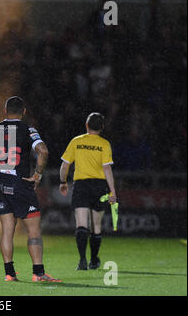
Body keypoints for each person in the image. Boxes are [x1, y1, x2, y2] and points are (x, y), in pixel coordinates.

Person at [0, 96, 61, 282]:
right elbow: (43, 151)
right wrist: (37, 175)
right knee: (33, 230)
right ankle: (38, 273)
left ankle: (9, 273)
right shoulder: (28, 130)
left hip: (0, 184)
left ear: (5, 111)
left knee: (7, 230)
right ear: (24, 112)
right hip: (20, 185)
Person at [59, 112, 117, 270]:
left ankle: (82, 260)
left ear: (86, 125)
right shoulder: (104, 144)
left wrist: (63, 182)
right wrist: (112, 192)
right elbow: (107, 169)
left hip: (81, 185)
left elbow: (65, 165)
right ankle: (94, 260)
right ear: (102, 127)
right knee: (96, 225)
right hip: (99, 186)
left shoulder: (76, 141)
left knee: (81, 224)